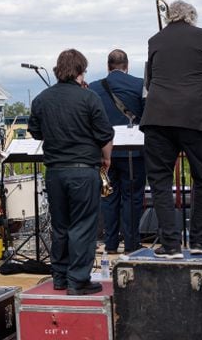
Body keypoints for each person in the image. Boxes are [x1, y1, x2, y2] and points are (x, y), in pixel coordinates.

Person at [139, 0, 202, 258]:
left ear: (169, 18)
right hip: (194, 118)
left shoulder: (155, 40)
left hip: (158, 117)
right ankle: (199, 241)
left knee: (160, 181)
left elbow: (150, 80)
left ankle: (171, 245)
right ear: (191, 17)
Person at [28, 49, 113, 295]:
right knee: (83, 226)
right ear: (80, 71)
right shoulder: (89, 98)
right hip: (83, 171)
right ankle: (78, 280)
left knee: (60, 226)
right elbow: (104, 134)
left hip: (55, 171)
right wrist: (106, 159)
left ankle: (60, 277)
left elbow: (36, 132)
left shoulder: (42, 99)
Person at [89, 49, 146, 254]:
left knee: (109, 197)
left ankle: (111, 244)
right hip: (134, 153)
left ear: (108, 66)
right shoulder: (140, 85)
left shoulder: (94, 88)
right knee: (133, 198)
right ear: (127, 66)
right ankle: (131, 244)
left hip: (106, 153)